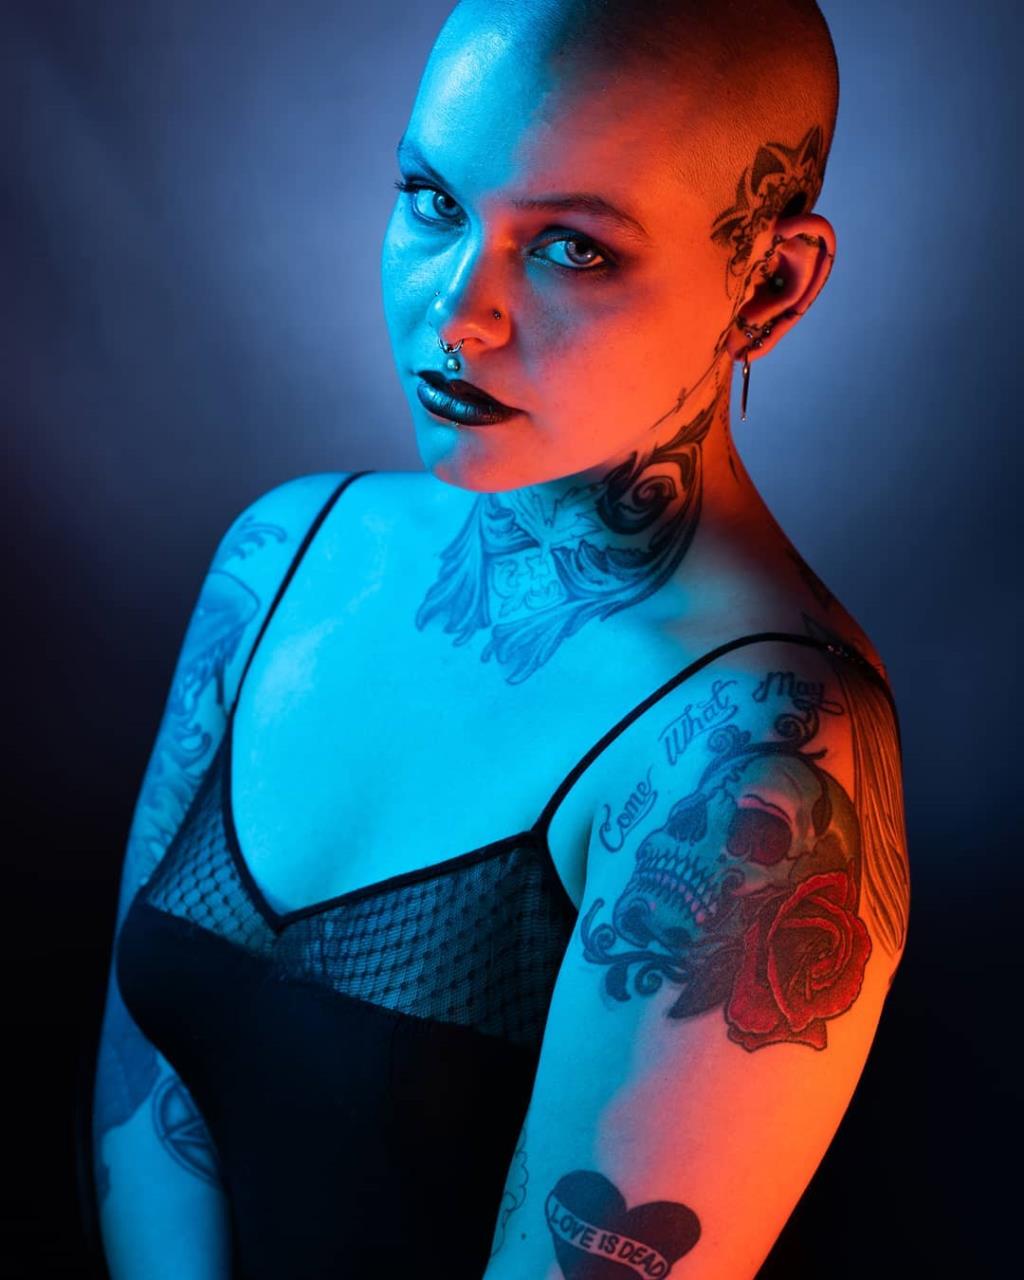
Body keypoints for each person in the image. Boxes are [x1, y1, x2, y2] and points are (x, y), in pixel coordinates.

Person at [92, 0, 911, 1276]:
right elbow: (143, 1095)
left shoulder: (765, 757)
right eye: (433, 202)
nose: (456, 312)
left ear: (769, 282)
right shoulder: (286, 553)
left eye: (573, 248)